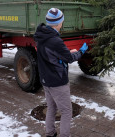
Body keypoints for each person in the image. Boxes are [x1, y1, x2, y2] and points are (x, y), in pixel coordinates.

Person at [34, 8, 88, 137]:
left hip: (46, 80)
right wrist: (81, 51)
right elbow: (69, 59)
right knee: (66, 110)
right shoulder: (55, 40)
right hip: (57, 81)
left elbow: (50, 55)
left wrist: (65, 53)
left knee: (52, 107)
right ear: (59, 23)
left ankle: (50, 133)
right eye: (62, 22)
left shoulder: (41, 36)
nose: (62, 24)